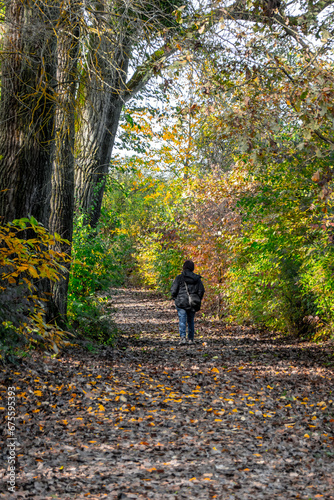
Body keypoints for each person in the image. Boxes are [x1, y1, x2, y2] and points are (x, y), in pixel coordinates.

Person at [170, 260, 205, 345]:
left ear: (184, 267)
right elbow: (201, 290)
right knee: (191, 320)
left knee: (182, 320)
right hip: (192, 303)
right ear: (192, 268)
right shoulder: (197, 278)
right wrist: (196, 298)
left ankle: (182, 338)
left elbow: (173, 290)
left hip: (181, 302)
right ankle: (191, 339)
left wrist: (175, 298)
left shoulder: (179, 278)